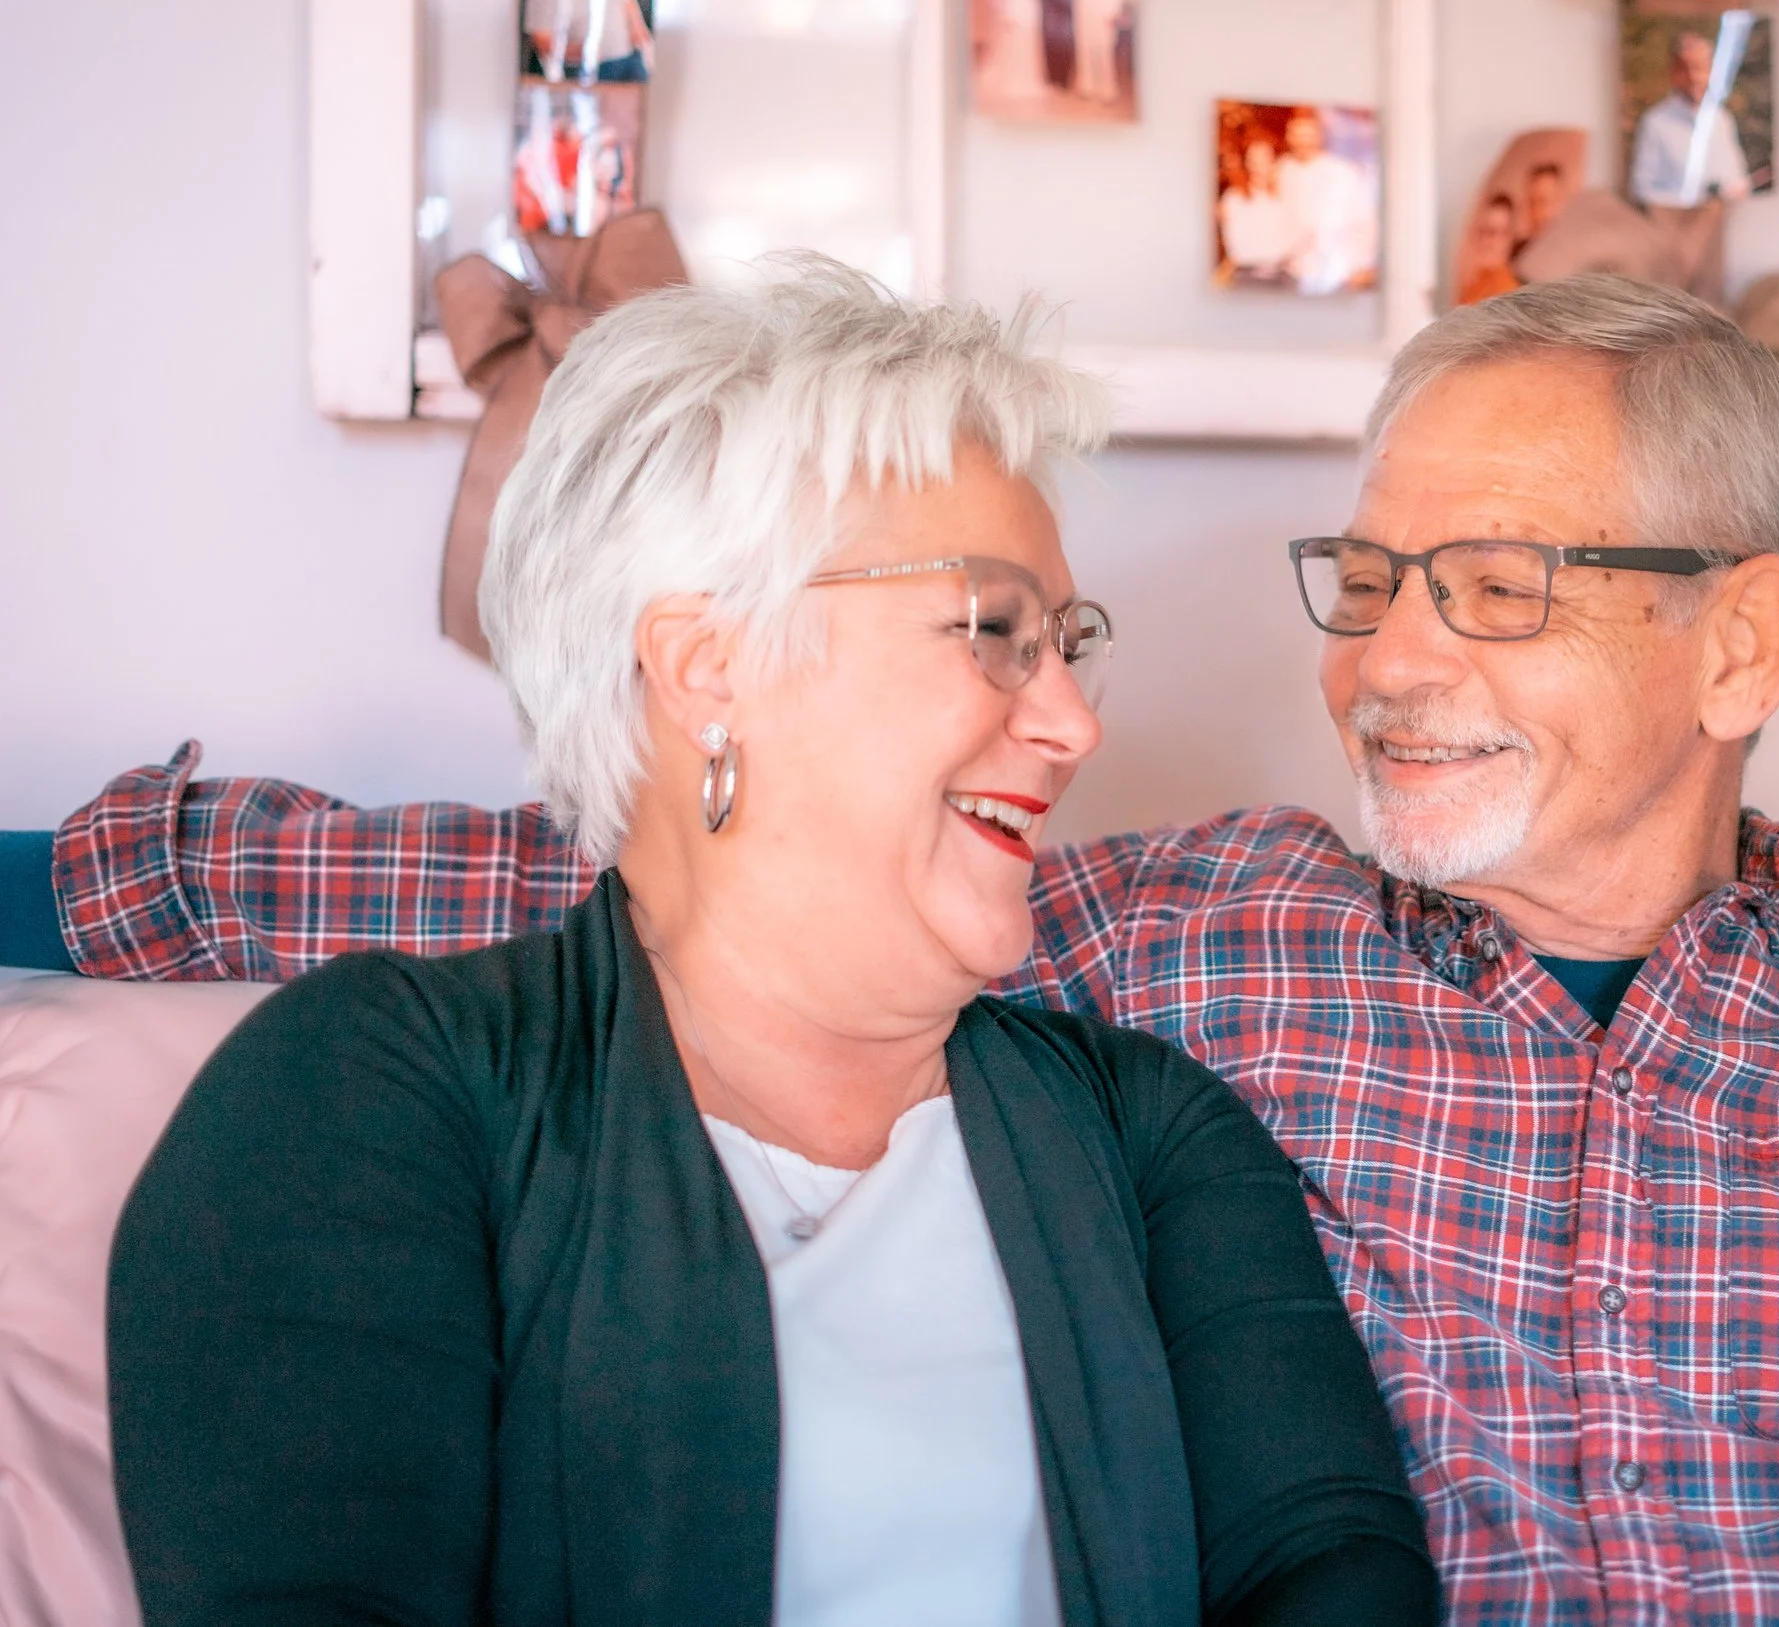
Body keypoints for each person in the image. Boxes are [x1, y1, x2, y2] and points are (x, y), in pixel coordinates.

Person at [19, 276, 1779, 1624]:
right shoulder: (1202, 950)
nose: (1386, 662)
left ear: (1742, 646)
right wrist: (57, 884)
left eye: (1497, 588)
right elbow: (694, 871)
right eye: (1372, 576)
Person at [97, 262, 1435, 1627]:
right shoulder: (373, 1094)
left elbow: (1330, 1568)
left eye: (1065, 644)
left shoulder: (1154, 1136)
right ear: (705, 664)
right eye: (993, 631)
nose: (1074, 724)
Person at [1629, 28, 1755, 209]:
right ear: (1674, 73)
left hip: (1723, 225)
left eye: (1700, 68)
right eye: (1686, 69)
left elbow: (1739, 177)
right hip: (1677, 228)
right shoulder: (1655, 123)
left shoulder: (1722, 119)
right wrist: (1695, 198)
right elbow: (1642, 191)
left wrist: (1736, 190)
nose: (1694, 77)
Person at [1275, 109, 1379, 296]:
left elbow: (1366, 222)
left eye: (1309, 135)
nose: (1303, 141)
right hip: (1290, 272)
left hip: (1336, 275)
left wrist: (1361, 266)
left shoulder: (1342, 171)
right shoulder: (1283, 170)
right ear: (1289, 137)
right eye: (1297, 135)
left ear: (1320, 136)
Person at [522, 0, 654, 84]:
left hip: (629, 60)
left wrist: (644, 44)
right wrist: (580, 52)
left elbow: (630, 8)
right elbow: (541, 41)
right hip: (587, 68)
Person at [1218, 133, 1296, 287]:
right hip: (1248, 277)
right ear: (1246, 162)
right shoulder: (1235, 197)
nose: (1259, 164)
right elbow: (1237, 245)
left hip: (1283, 276)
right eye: (1253, 159)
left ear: (1274, 160)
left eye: (1264, 157)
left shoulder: (1286, 195)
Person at [1068, 0, 1128, 107]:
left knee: (1104, 48)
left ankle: (1106, 89)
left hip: (1105, 10)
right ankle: (1087, 87)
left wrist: (1115, 11)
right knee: (1086, 47)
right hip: (1087, 9)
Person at [1453, 193, 1521, 306]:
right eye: (1482, 231)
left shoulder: (1508, 293)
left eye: (1492, 232)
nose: (1485, 241)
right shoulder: (1475, 284)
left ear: (1510, 237)